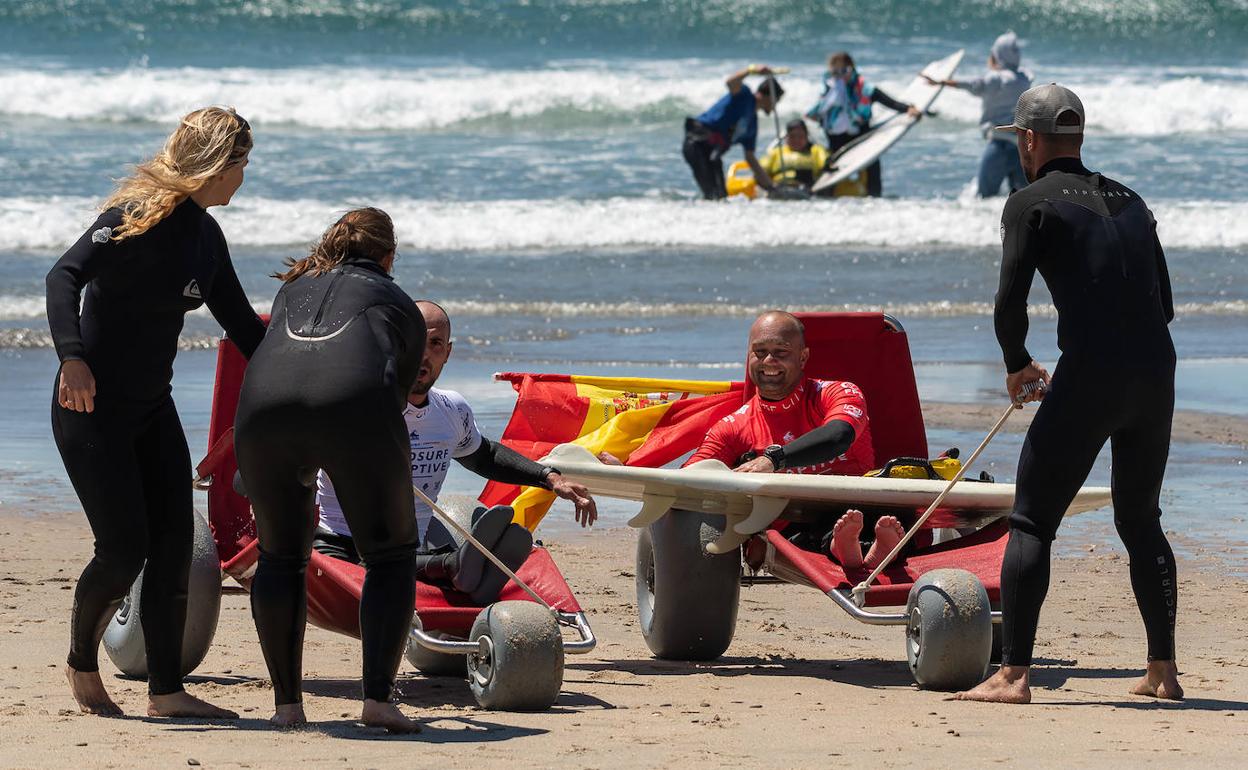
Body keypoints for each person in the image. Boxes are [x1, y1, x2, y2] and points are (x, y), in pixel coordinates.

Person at [957, 85, 1183, 704]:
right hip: (1156, 374)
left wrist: (1016, 364)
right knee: (1141, 519)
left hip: (1092, 375)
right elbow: (1163, 304)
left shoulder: (1028, 202)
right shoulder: (1134, 201)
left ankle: (1013, 675)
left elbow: (1009, 301)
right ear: (1077, 137)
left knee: (1032, 518)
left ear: (1028, 141)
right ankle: (1163, 672)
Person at [46, 106, 259, 720]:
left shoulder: (206, 240)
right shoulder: (129, 222)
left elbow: (244, 328)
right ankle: (81, 661)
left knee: (174, 545)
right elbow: (64, 277)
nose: (244, 177)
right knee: (123, 548)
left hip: (151, 409)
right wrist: (72, 359)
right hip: (89, 406)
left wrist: (310, 378)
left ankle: (166, 691)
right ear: (220, 166)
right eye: (242, 163)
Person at [233, 208, 426, 732]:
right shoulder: (399, 304)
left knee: (280, 557)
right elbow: (401, 393)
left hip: (262, 414)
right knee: (389, 556)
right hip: (352, 411)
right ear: (388, 256)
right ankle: (378, 702)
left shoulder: (290, 289)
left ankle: (287, 707)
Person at [312, 300, 598, 601]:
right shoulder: (357, 404)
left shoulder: (450, 409)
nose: (424, 354)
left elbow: (483, 456)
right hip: (342, 548)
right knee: (406, 565)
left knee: (418, 561)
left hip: (410, 547)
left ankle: (463, 571)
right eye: (415, 341)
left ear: (447, 353)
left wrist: (550, 478)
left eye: (435, 344)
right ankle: (456, 567)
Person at [684, 311, 897, 569]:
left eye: (781, 352)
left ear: (803, 357)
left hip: (860, 504)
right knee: (820, 530)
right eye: (759, 352)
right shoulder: (734, 426)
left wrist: (773, 460)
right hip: (793, 528)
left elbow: (839, 437)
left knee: (885, 518)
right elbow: (691, 477)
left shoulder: (837, 392)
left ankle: (861, 548)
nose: (769, 361)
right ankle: (848, 548)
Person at [924, 32, 1033, 197]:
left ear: (998, 56)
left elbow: (974, 84)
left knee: (984, 197)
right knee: (1023, 197)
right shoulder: (1024, 78)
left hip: (1000, 146)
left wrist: (941, 82)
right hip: (1021, 148)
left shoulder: (996, 79)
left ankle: (983, 221)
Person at [806, 51, 921, 197]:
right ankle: (824, 202)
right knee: (829, 172)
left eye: (844, 71)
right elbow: (816, 113)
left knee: (872, 168)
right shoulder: (829, 92)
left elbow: (889, 102)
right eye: (835, 72)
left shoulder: (864, 89)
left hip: (861, 138)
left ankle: (875, 199)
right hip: (837, 143)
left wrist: (908, 109)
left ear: (852, 69)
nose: (840, 76)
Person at [683, 64, 783, 200]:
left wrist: (771, 187)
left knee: (721, 196)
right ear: (767, 96)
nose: (775, 106)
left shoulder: (752, 125)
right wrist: (750, 70)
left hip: (713, 154)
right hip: (697, 142)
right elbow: (731, 82)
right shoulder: (745, 95)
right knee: (711, 194)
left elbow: (750, 159)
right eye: (776, 101)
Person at [758, 119, 830, 192]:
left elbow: (826, 162)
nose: (796, 140)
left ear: (806, 136)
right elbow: (760, 170)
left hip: (805, 191)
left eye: (800, 136)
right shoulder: (776, 152)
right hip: (778, 189)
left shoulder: (816, 151)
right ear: (787, 137)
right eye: (792, 136)